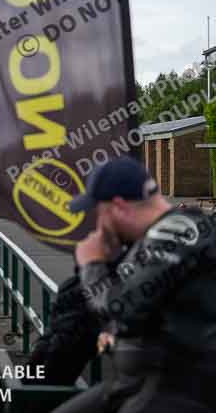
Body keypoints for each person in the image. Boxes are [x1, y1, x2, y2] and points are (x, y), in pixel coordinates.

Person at [52, 156, 216, 413]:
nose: (97, 225)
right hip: (137, 382)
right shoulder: (155, 236)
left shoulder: (176, 230)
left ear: (118, 206)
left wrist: (91, 263)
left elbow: (120, 305)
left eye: (99, 213)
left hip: (179, 387)